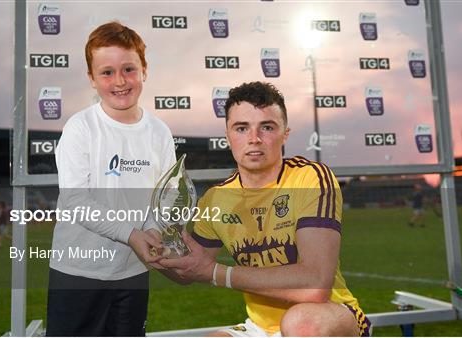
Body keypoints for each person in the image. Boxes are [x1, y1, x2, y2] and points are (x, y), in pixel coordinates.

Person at [157, 82, 371, 336]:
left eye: (266, 127)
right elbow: (191, 269)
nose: (254, 139)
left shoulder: (309, 177)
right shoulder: (216, 198)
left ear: (285, 134)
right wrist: (155, 248)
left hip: (328, 314)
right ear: (227, 136)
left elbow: (315, 286)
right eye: (241, 128)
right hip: (260, 328)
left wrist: (217, 273)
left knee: (301, 323)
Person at [46, 22, 174, 336]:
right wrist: (131, 234)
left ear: (144, 70)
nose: (119, 81)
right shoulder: (81, 128)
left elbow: (169, 193)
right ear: (91, 78)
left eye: (129, 69)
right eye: (106, 72)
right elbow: (76, 201)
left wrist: (155, 230)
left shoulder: (159, 132)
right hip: (77, 272)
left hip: (132, 272)